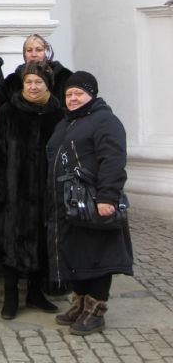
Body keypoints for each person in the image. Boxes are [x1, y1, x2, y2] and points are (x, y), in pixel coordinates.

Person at [46, 71, 133, 335]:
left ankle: (96, 311)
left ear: (92, 95)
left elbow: (113, 159)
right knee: (78, 252)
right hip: (71, 203)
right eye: (69, 94)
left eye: (79, 93)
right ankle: (80, 303)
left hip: (94, 200)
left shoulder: (105, 120)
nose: (73, 98)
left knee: (98, 254)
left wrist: (107, 197)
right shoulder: (68, 121)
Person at [0, 61, 63, 320]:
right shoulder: (9, 112)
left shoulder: (57, 115)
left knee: (41, 243)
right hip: (13, 193)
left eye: (38, 82)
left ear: (47, 85)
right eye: (28, 82)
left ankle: (36, 293)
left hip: (46, 192)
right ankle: (10, 297)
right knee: (11, 244)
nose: (32, 86)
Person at [5, 34, 71, 107]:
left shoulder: (64, 77)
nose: (34, 54)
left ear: (47, 52)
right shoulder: (13, 81)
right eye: (29, 50)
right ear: (25, 54)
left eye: (39, 50)